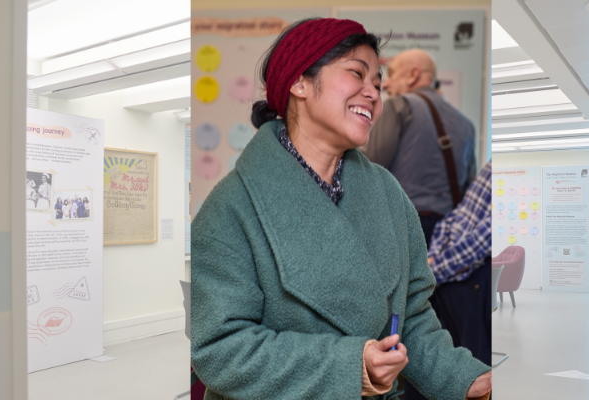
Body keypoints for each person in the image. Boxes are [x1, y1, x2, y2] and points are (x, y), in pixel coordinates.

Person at [191, 18, 490, 400]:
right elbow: (219, 349)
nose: (374, 94)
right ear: (299, 82)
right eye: (357, 73)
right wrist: (348, 367)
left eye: (379, 84)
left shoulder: (388, 193)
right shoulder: (229, 209)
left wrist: (465, 379)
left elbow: (411, 317)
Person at [362, 48, 476, 247]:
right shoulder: (466, 125)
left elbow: (370, 168)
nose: (385, 84)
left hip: (402, 227)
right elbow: (469, 189)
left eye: (392, 73)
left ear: (413, 75)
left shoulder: (398, 106)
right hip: (446, 236)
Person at [401, 162, 491, 400]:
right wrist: (433, 264)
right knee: (430, 352)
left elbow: (484, 237)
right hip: (451, 276)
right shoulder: (493, 167)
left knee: (468, 364)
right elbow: (454, 219)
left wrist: (434, 268)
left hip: (464, 279)